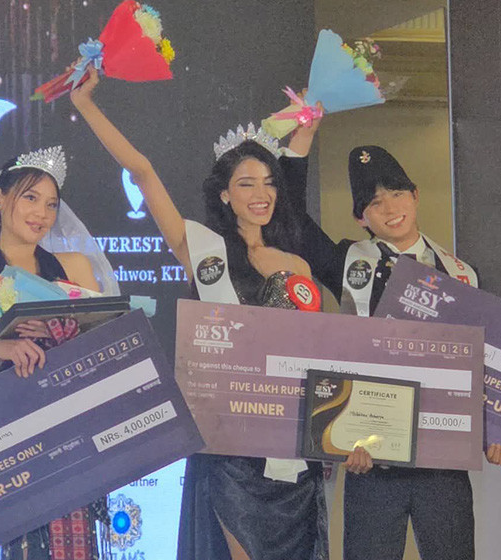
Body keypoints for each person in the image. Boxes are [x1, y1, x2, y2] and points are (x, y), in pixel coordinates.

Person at [69, 67, 326, 560]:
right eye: (246, 183)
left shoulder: (297, 265)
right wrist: (86, 106)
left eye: (268, 183)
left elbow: (314, 353)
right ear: (225, 194)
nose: (261, 194)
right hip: (230, 449)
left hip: (291, 448)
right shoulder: (201, 248)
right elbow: (143, 171)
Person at [279, 120, 501, 560]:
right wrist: (302, 139)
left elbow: (487, 366)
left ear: (416, 195)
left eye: (396, 193)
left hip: (442, 463)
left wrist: (499, 433)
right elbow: (291, 218)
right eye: (374, 202)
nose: (389, 207)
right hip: (369, 459)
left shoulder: (462, 274)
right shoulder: (348, 262)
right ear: (360, 217)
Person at [0, 146, 120, 560]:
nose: (42, 213)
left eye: (51, 204)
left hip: (76, 434)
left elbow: (110, 347)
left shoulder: (75, 267)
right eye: (30, 198)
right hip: (15, 444)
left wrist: (63, 331)